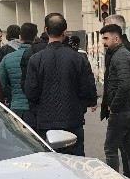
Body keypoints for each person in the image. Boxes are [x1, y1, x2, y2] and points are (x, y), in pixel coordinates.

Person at [23, 13, 97, 156]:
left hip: (45, 121)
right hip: (72, 119)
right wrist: (82, 107)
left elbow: (31, 92)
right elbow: (86, 88)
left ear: (45, 29)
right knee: (76, 163)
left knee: (51, 162)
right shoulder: (78, 58)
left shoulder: (36, 60)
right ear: (65, 31)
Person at [99, 23, 130, 179]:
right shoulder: (122, 54)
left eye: (106, 38)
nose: (104, 42)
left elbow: (124, 85)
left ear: (116, 38)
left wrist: (113, 106)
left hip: (123, 111)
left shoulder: (120, 56)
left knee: (110, 149)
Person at [0, 22, 37, 125]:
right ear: (35, 37)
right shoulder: (40, 57)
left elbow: (0, 84)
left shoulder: (8, 58)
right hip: (36, 109)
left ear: (20, 37)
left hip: (16, 107)